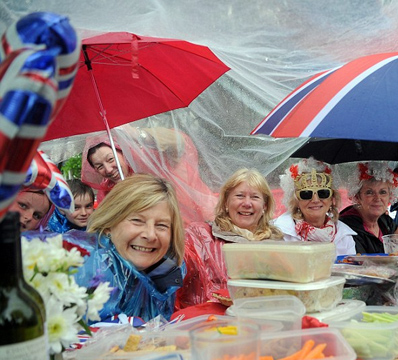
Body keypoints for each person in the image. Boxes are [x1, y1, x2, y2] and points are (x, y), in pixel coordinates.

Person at [74, 174, 186, 322]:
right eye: (137, 220)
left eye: (161, 225)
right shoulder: (85, 268)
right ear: (108, 225)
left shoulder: (165, 272)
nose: (150, 235)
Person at [177, 168, 284, 309]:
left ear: (264, 205)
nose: (247, 203)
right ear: (226, 203)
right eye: (240, 196)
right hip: (209, 318)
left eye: (255, 197)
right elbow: (175, 265)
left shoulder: (278, 244)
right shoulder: (200, 236)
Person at [81, 125, 217, 224]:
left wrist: (137, 134)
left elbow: (179, 142)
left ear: (123, 153)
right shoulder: (107, 193)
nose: (108, 169)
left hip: (199, 223)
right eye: (99, 166)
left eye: (111, 159)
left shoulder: (148, 162)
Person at [273, 157, 356, 255]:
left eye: (323, 193)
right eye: (306, 194)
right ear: (296, 201)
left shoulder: (344, 235)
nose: (315, 200)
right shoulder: (279, 233)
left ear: (331, 199)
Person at [339, 161, 398, 254]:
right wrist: (394, 242)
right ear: (358, 197)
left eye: (383, 192)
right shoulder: (347, 228)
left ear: (390, 195)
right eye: (369, 192)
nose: (377, 198)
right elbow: (362, 261)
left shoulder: (386, 221)